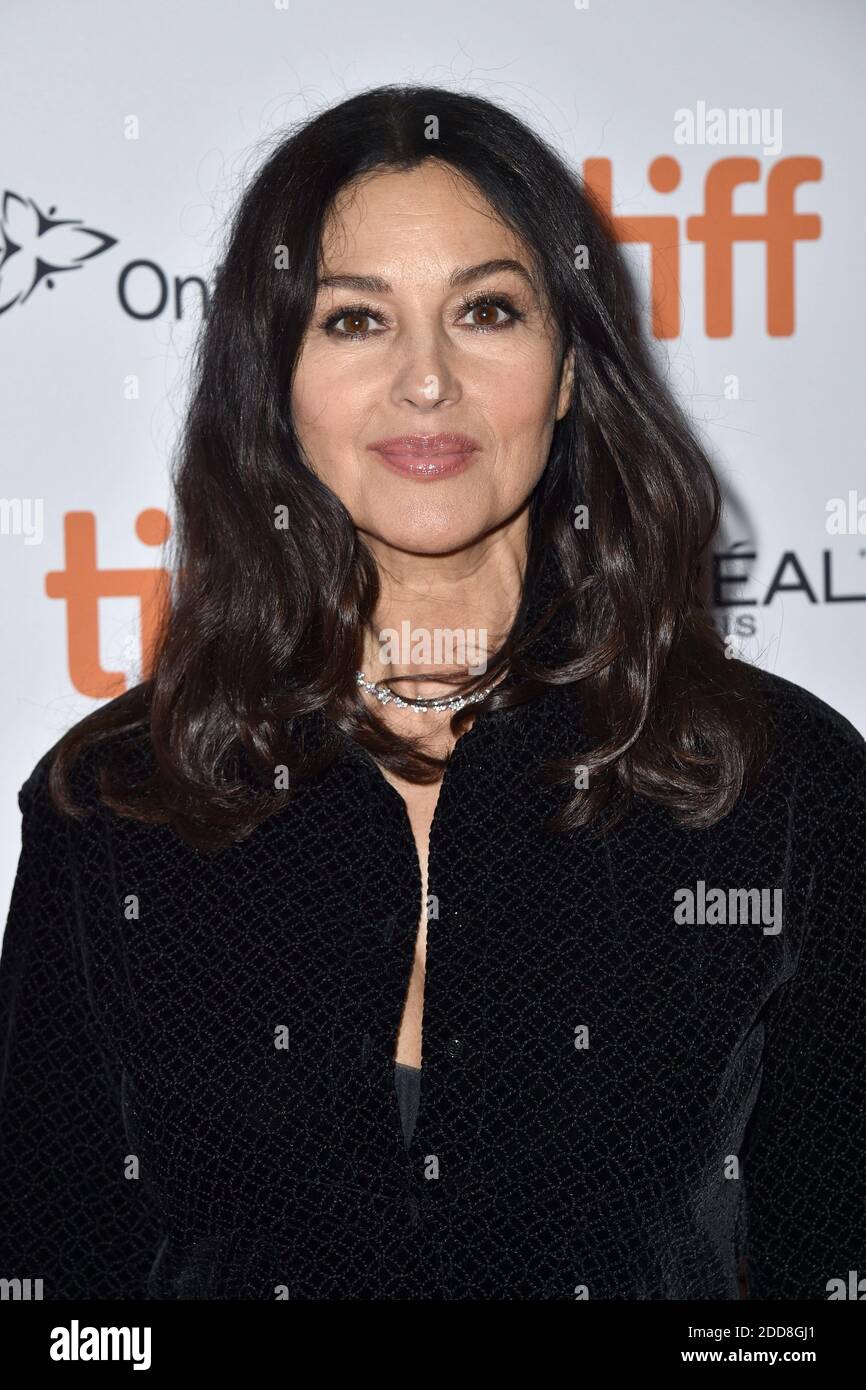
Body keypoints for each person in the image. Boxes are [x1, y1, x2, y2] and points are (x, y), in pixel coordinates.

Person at [1, 83, 864, 1301]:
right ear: (276, 383)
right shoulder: (119, 801)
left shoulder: (775, 784)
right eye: (355, 322)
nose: (424, 382)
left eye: (486, 311)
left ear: (567, 372)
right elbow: (51, 1291)